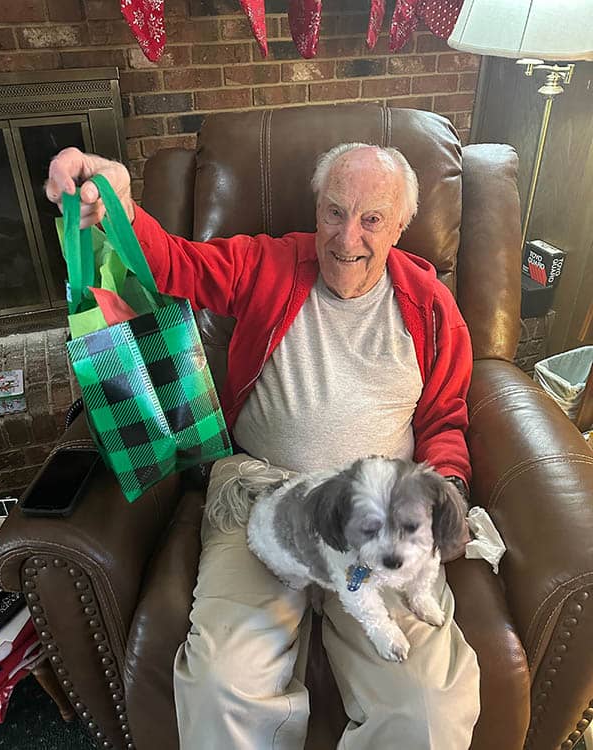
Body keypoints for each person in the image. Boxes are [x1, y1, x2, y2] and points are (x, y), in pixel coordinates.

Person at [46, 142, 480, 750]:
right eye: (334, 211)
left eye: (371, 219)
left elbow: (444, 419)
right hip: (262, 498)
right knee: (222, 684)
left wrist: (447, 494)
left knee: (428, 706)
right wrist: (122, 206)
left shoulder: (431, 307)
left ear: (401, 226)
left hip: (381, 519)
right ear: (316, 208)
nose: (346, 236)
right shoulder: (268, 264)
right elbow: (178, 265)